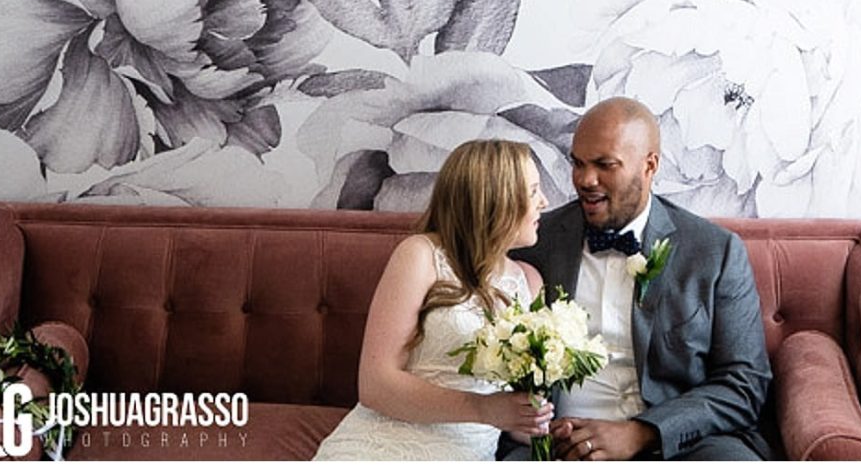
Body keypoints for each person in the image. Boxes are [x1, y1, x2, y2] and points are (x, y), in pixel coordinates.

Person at [511, 97, 774, 462]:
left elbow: (744, 384)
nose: (586, 180)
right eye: (578, 163)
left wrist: (643, 432)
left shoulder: (715, 252)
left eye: (605, 165)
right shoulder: (535, 242)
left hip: (678, 446)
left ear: (650, 166)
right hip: (556, 445)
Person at [313, 137, 554, 460]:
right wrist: (483, 409)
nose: (546, 202)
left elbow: (512, 415)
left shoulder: (529, 283)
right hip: (381, 442)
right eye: (533, 191)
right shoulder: (421, 255)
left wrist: (538, 421)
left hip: (464, 452)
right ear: (496, 199)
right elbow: (375, 384)